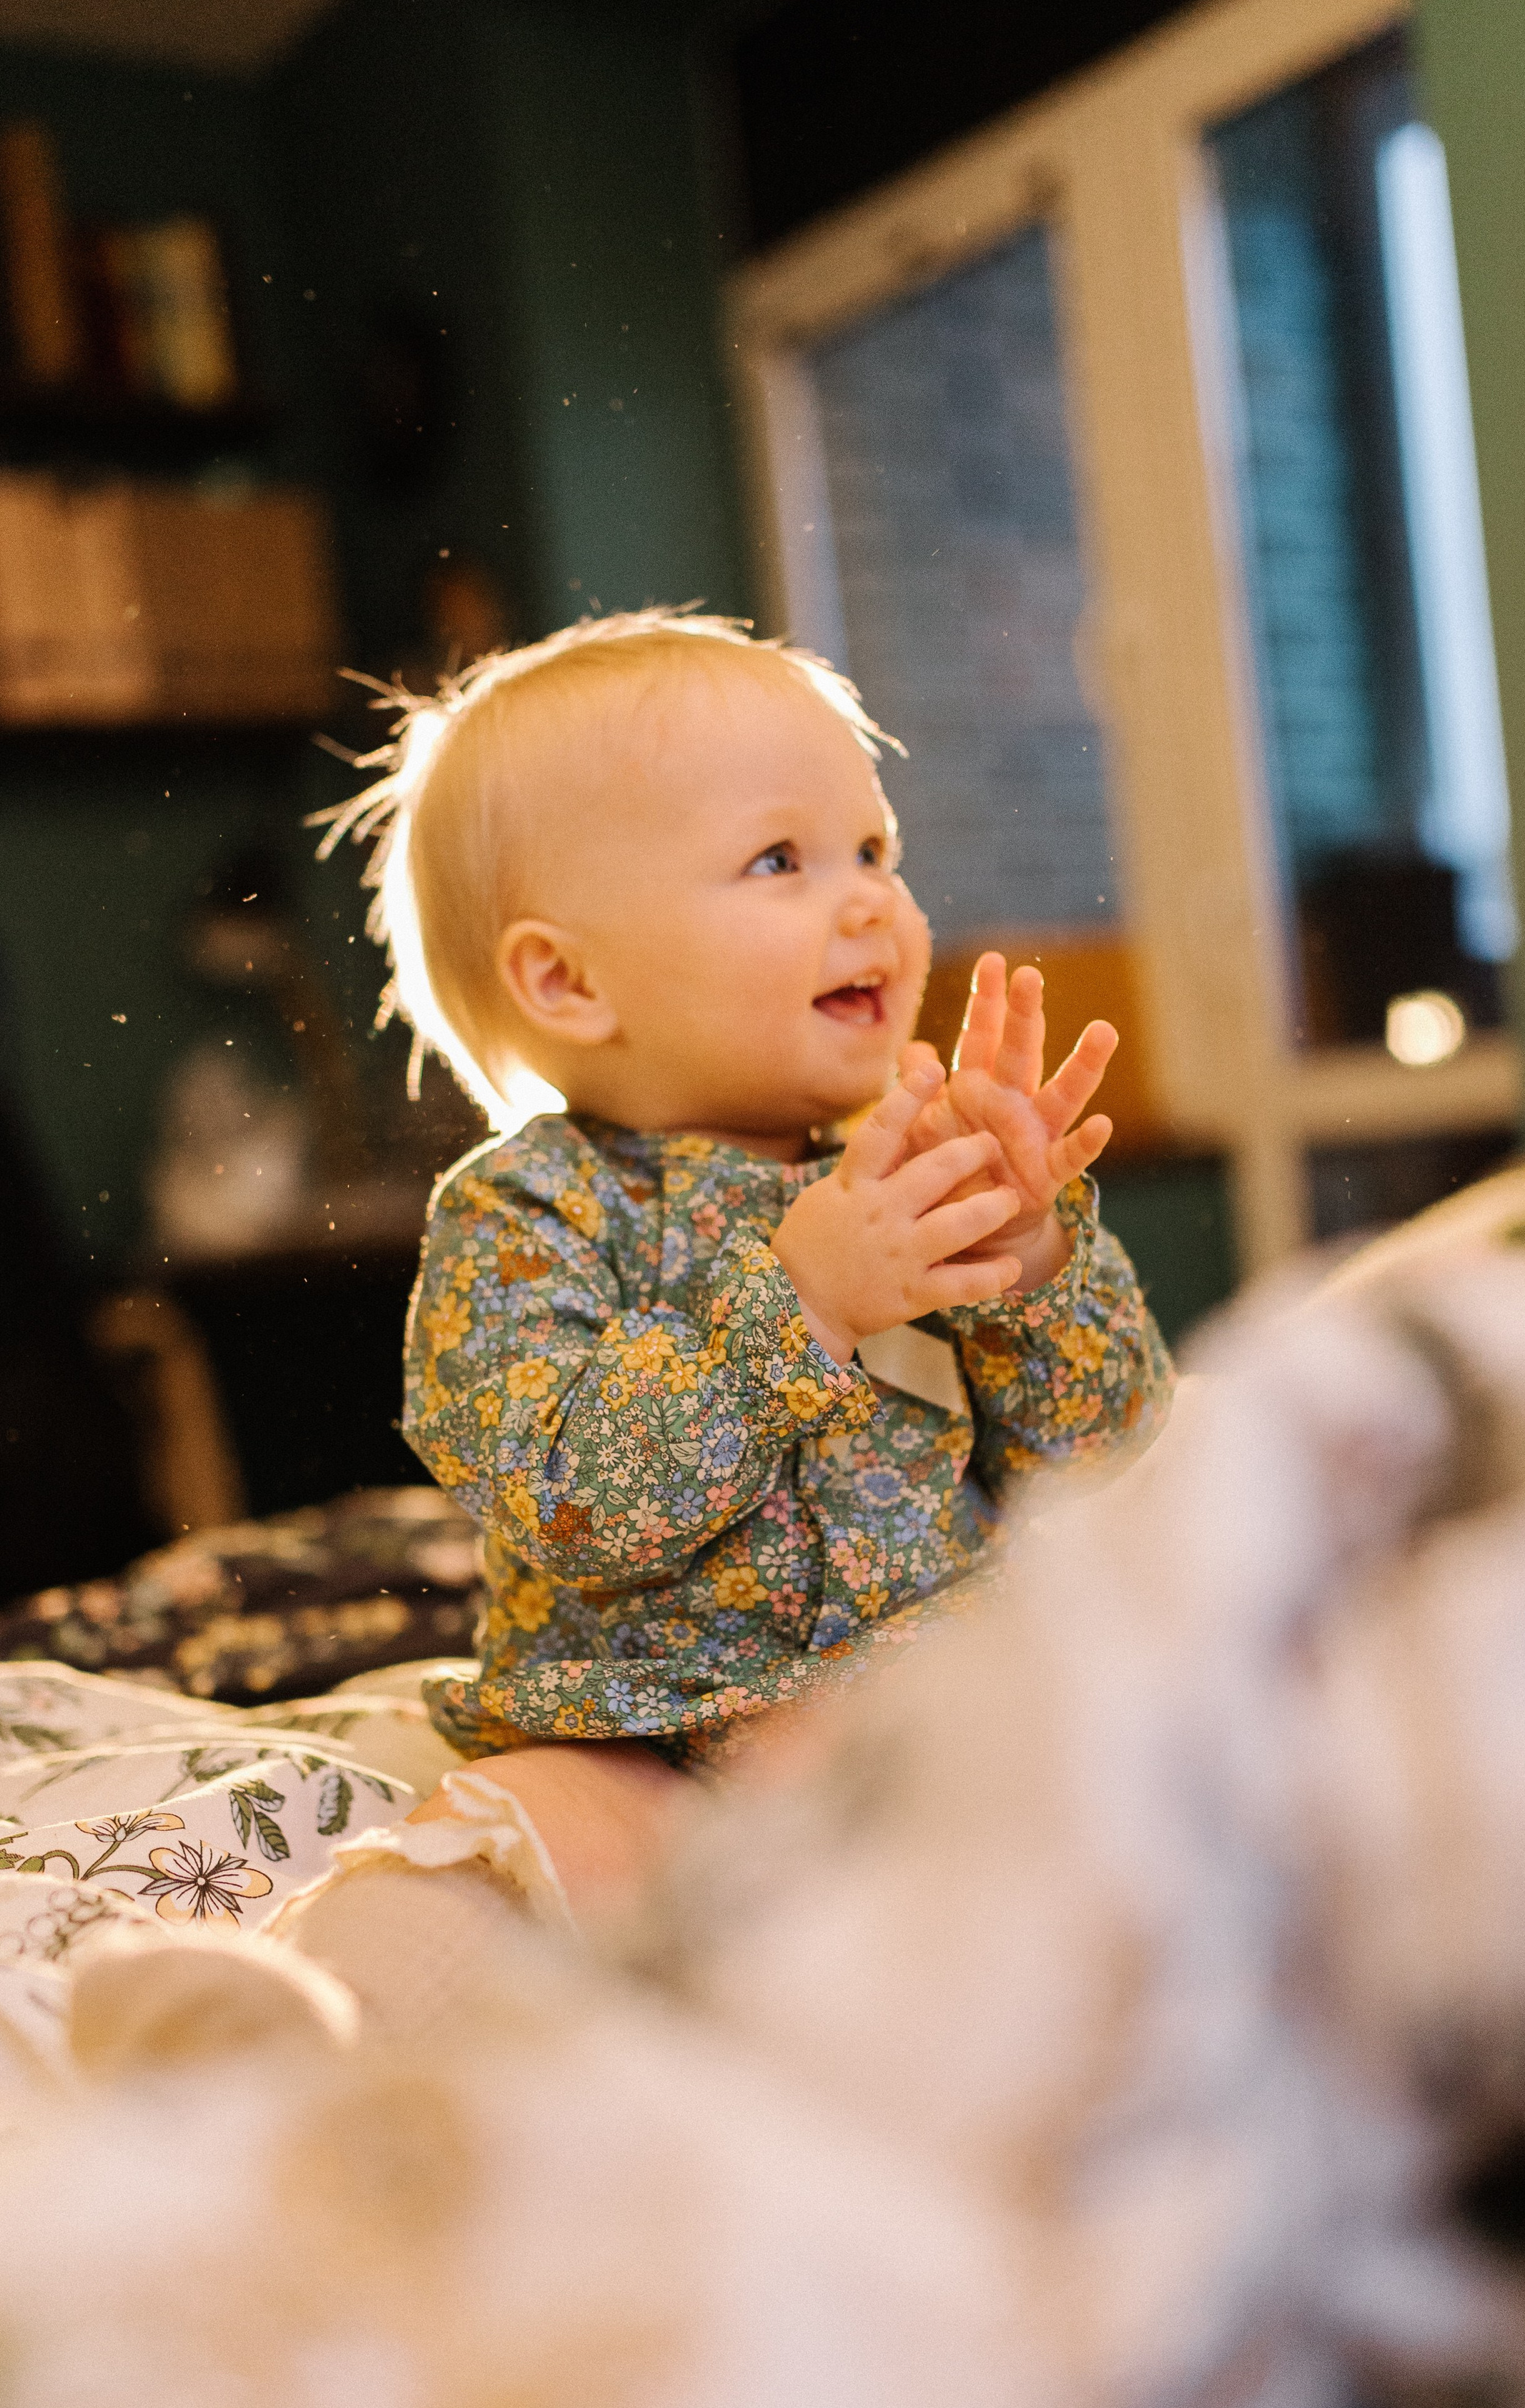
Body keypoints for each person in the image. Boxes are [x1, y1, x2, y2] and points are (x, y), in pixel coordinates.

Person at [313, 608, 1173, 1923]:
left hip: (926, 1723)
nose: (872, 897)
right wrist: (802, 1303)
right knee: (504, 1840)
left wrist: (1034, 1260)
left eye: (877, 849)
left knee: (1144, 1760)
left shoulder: (908, 1170)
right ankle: (307, 2012)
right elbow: (569, 1499)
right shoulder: (523, 1214)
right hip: (649, 1749)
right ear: (566, 981)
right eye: (782, 858)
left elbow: (1099, 1476)